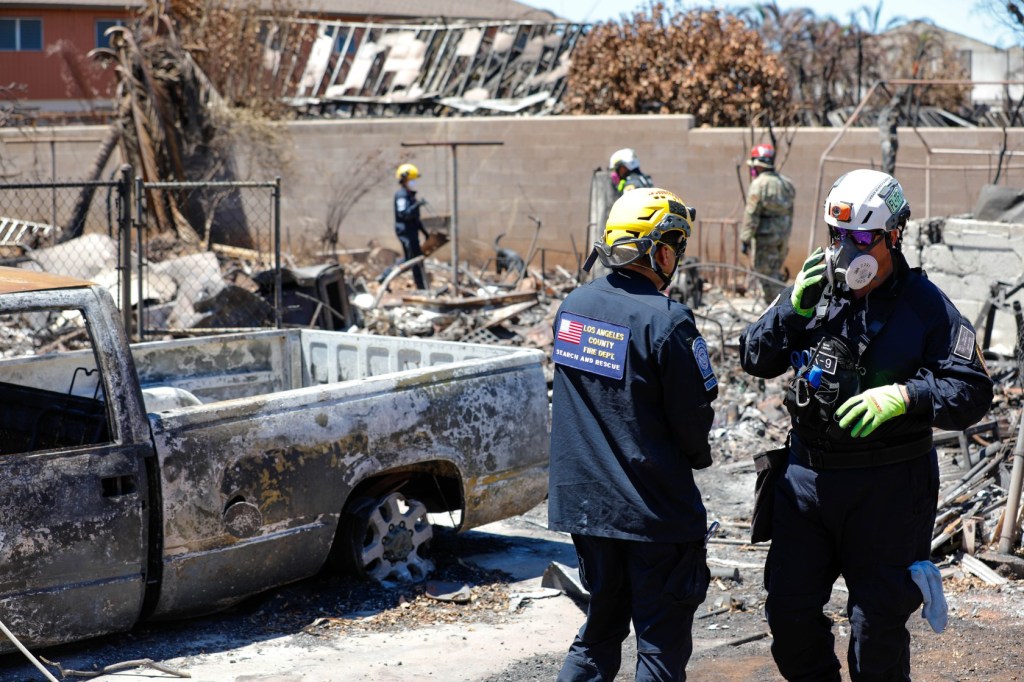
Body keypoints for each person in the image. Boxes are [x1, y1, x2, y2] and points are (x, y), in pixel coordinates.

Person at [739, 168, 994, 682]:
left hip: (889, 489)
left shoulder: (926, 307)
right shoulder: (813, 293)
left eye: (860, 238)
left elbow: (973, 390)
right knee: (789, 617)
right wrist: (790, 310)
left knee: (876, 630)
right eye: (837, 236)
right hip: (807, 483)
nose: (846, 250)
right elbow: (753, 356)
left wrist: (907, 395)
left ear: (892, 236)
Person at [549, 186, 718, 682]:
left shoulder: (573, 307)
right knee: (660, 647)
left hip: (586, 509)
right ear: (661, 251)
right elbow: (693, 424)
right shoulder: (667, 322)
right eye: (676, 248)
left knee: (599, 632)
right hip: (653, 515)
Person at [741, 142, 795, 303]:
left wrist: (745, 239)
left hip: (765, 241)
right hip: (782, 240)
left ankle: (775, 309)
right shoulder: (787, 184)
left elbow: (751, 215)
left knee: (766, 277)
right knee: (775, 273)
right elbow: (790, 213)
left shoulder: (758, 185)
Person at [393, 162, 430, 290]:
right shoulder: (401, 196)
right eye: (411, 180)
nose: (413, 182)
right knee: (411, 259)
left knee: (416, 259)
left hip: (412, 232)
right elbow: (404, 214)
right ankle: (385, 276)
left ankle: (422, 286)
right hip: (405, 232)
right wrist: (417, 205)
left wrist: (425, 233)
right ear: (404, 180)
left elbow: (415, 219)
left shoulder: (410, 196)